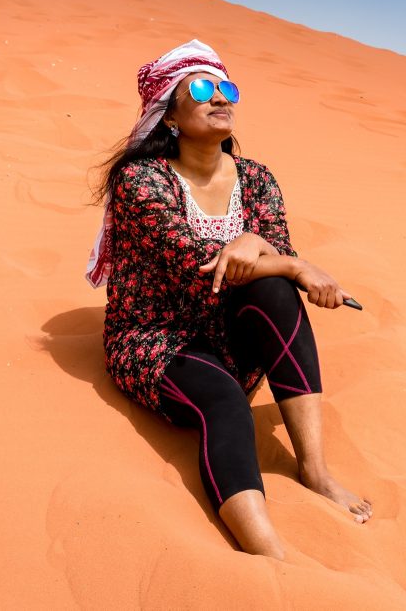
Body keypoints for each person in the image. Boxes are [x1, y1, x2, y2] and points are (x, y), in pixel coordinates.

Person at [85, 39, 372, 559]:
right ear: (168, 113)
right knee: (226, 401)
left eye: (226, 88)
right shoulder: (142, 179)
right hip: (155, 341)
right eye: (201, 88)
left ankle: (315, 470)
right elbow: (198, 266)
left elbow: (273, 249)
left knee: (275, 290)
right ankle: (269, 557)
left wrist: (260, 249)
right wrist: (291, 262)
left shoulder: (257, 177)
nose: (220, 98)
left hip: (227, 333)